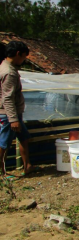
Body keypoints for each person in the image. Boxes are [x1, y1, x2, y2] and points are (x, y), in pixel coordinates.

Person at [0, 41, 35, 177]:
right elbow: (7, 98)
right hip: (8, 115)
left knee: (24, 138)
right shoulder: (9, 73)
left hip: (14, 113)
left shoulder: (6, 67)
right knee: (4, 144)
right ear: (17, 54)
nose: (24, 60)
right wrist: (13, 119)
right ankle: (1, 172)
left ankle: (27, 165)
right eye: (24, 57)